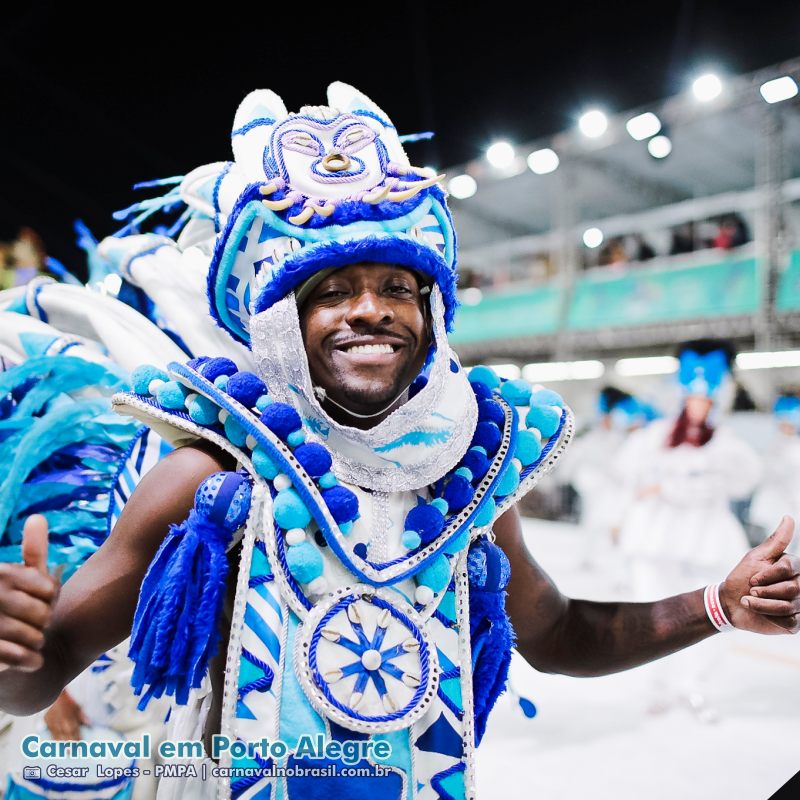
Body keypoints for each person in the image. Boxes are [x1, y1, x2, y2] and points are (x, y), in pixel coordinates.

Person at [0, 85, 797, 800]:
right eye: (333, 292)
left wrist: (716, 607)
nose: (369, 310)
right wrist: (14, 648)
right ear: (283, 325)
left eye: (395, 287)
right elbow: (43, 675)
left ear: (432, 315)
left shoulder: (468, 477)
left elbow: (558, 636)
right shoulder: (213, 472)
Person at [614, 339, 764, 716]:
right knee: (653, 612)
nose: (699, 405)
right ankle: (658, 684)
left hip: (705, 539)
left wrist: (667, 488)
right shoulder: (653, 436)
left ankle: (693, 684)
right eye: (692, 398)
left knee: (708, 615)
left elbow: (741, 481)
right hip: (654, 538)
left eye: (708, 399)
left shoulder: (727, 445)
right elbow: (627, 474)